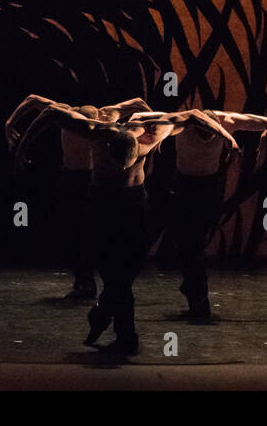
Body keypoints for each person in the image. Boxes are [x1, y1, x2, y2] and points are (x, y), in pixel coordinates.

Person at [17, 105, 180, 355]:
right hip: (103, 201)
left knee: (126, 271)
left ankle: (103, 314)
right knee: (114, 273)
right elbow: (49, 111)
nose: (123, 167)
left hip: (134, 202)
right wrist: (23, 145)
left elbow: (190, 117)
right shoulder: (94, 131)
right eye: (118, 163)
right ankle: (121, 332)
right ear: (107, 145)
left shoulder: (153, 133)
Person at [9, 95, 149, 298]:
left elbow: (138, 103)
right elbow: (33, 101)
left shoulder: (108, 117)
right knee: (75, 231)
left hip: (93, 182)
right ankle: (85, 281)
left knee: (96, 233)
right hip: (72, 178)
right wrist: (11, 126)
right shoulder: (70, 116)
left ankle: (111, 281)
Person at [167, 110, 267, 317]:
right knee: (186, 243)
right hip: (184, 187)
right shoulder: (181, 124)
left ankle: (197, 294)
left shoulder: (228, 121)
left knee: (195, 243)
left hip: (209, 188)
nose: (207, 137)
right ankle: (194, 291)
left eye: (212, 133)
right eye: (203, 133)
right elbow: (144, 118)